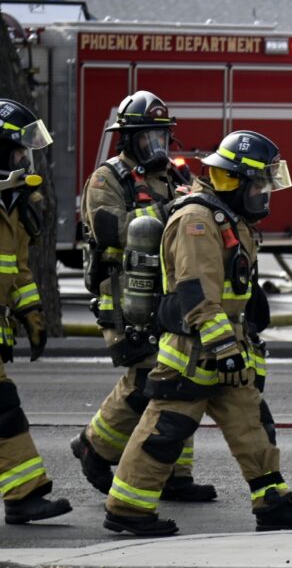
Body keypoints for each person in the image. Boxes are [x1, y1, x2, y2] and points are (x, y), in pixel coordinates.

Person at [102, 130, 292, 536]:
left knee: (252, 424)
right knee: (164, 432)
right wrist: (224, 346)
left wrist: (238, 343)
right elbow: (196, 290)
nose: (263, 194)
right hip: (193, 351)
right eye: (257, 185)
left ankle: (272, 502)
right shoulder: (197, 220)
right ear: (233, 180)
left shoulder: (227, 216)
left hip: (225, 349)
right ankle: (127, 509)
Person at [72, 91, 215, 502]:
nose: (156, 145)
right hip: (125, 296)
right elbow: (109, 229)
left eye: (161, 136)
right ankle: (93, 446)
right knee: (146, 378)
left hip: (166, 292)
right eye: (147, 137)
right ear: (127, 139)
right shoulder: (106, 180)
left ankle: (173, 474)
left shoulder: (174, 174)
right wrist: (170, 211)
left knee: (180, 374)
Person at [0, 99, 72, 525]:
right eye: (18, 151)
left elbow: (18, 270)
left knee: (4, 409)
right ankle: (22, 495)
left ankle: (23, 494)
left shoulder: (12, 204)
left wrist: (32, 314)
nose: (24, 160)